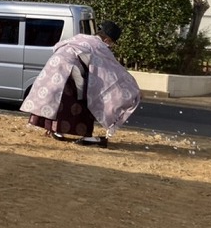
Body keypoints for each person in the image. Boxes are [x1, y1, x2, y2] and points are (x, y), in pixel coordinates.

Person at [21, 20, 140, 148]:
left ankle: (55, 129)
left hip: (55, 64)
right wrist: (132, 86)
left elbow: (58, 47)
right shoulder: (100, 46)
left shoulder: (82, 37)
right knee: (87, 98)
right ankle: (84, 134)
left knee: (56, 98)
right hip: (71, 68)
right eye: (111, 42)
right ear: (107, 40)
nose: (110, 45)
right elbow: (114, 70)